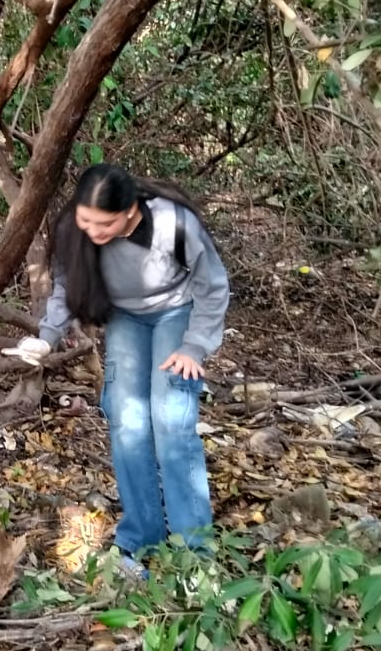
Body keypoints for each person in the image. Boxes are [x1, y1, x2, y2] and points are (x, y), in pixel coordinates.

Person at [12, 163, 230, 574]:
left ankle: (195, 556)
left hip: (176, 312)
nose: (92, 231)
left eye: (104, 223)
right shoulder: (73, 229)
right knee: (127, 421)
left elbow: (213, 285)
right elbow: (65, 287)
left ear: (131, 210)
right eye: (86, 219)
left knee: (171, 422)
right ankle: (141, 541)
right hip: (126, 317)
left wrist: (194, 347)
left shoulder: (172, 223)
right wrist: (46, 337)